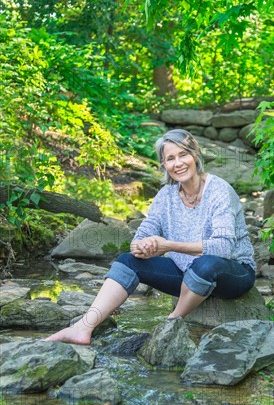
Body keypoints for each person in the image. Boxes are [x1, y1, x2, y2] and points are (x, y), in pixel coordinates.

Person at [45, 129, 256, 345]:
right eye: (170, 159)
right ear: (164, 164)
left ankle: (171, 321)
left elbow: (223, 249)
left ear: (195, 155)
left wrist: (168, 246)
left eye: (183, 155)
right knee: (127, 261)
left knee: (206, 264)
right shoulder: (166, 195)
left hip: (233, 273)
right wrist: (141, 246)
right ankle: (83, 327)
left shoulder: (219, 190)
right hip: (186, 274)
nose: (178, 163)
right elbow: (144, 232)